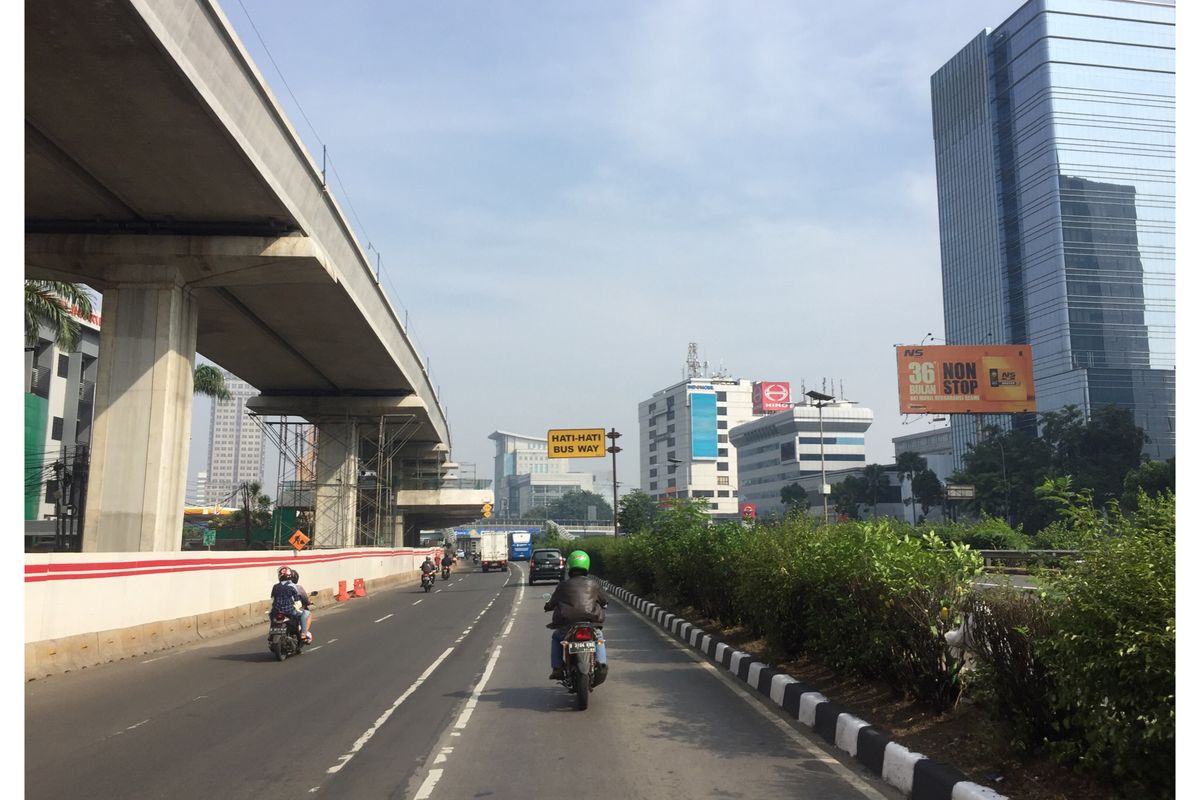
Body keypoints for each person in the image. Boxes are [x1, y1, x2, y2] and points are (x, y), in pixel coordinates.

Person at [543, 550, 608, 684]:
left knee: (556, 637)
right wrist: (604, 604)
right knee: (599, 637)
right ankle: (601, 665)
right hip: (590, 623)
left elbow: (553, 602)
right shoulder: (593, 584)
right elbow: (604, 600)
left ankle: (557, 668)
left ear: (569, 566)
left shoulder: (563, 585)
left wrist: (548, 606)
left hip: (568, 626)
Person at [271, 566, 313, 643]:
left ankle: (271, 635)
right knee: (304, 613)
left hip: (276, 611)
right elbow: (298, 600)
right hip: (289, 611)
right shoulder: (294, 586)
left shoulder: (275, 586)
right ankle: (303, 634)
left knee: (272, 615)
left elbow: (273, 598)